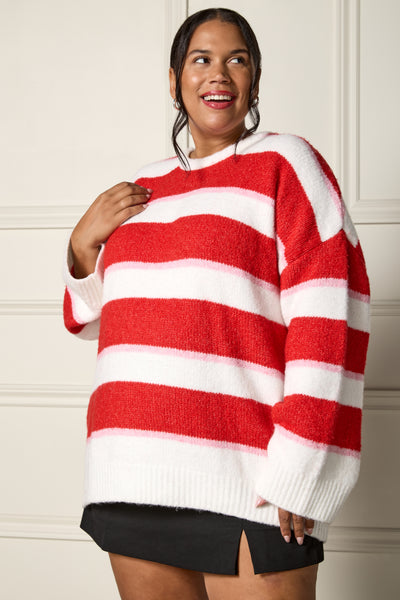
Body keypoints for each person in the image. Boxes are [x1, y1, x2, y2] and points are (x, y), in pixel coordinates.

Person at [62, 8, 370, 600]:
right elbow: (92, 318)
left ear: (255, 77)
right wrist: (81, 249)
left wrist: (302, 468)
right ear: (174, 78)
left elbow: (333, 315)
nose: (218, 74)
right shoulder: (143, 189)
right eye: (201, 59)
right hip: (130, 471)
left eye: (237, 59)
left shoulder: (286, 164)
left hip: (250, 482)